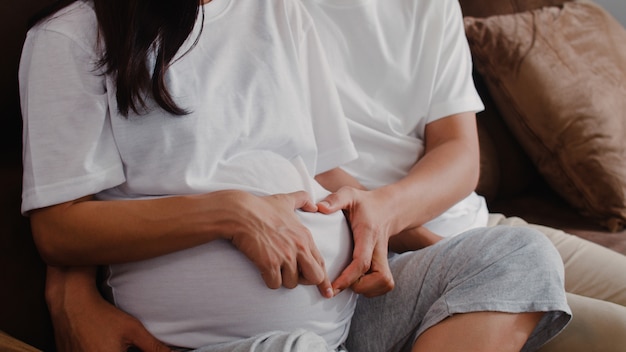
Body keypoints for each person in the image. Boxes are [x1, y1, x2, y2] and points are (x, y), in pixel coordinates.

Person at [20, 0, 571, 351]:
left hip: (350, 311)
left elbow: (321, 173)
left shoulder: (279, 13)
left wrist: (390, 241)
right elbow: (59, 229)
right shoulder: (70, 39)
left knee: (518, 254)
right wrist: (231, 214)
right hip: (233, 340)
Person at [298, 0, 626, 351]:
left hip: (482, 229)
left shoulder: (431, 6)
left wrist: (457, 246)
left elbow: (459, 151)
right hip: (378, 259)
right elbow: (305, 164)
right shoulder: (263, 14)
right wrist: (440, 249)